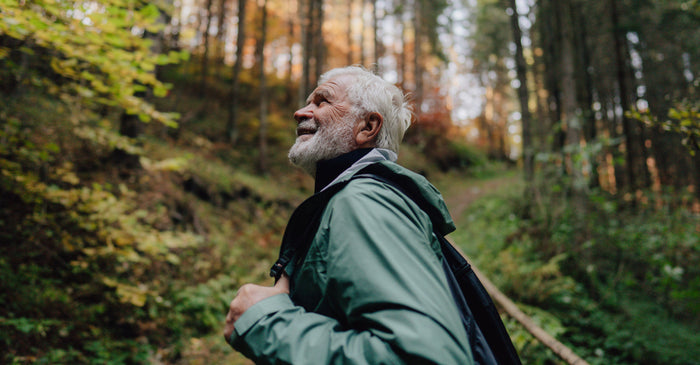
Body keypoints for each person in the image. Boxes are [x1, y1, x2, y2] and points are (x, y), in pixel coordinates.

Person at [223, 66, 474, 364]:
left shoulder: (365, 201)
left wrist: (264, 322)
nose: (300, 112)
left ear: (367, 127)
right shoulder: (355, 199)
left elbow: (422, 358)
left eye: (321, 101)